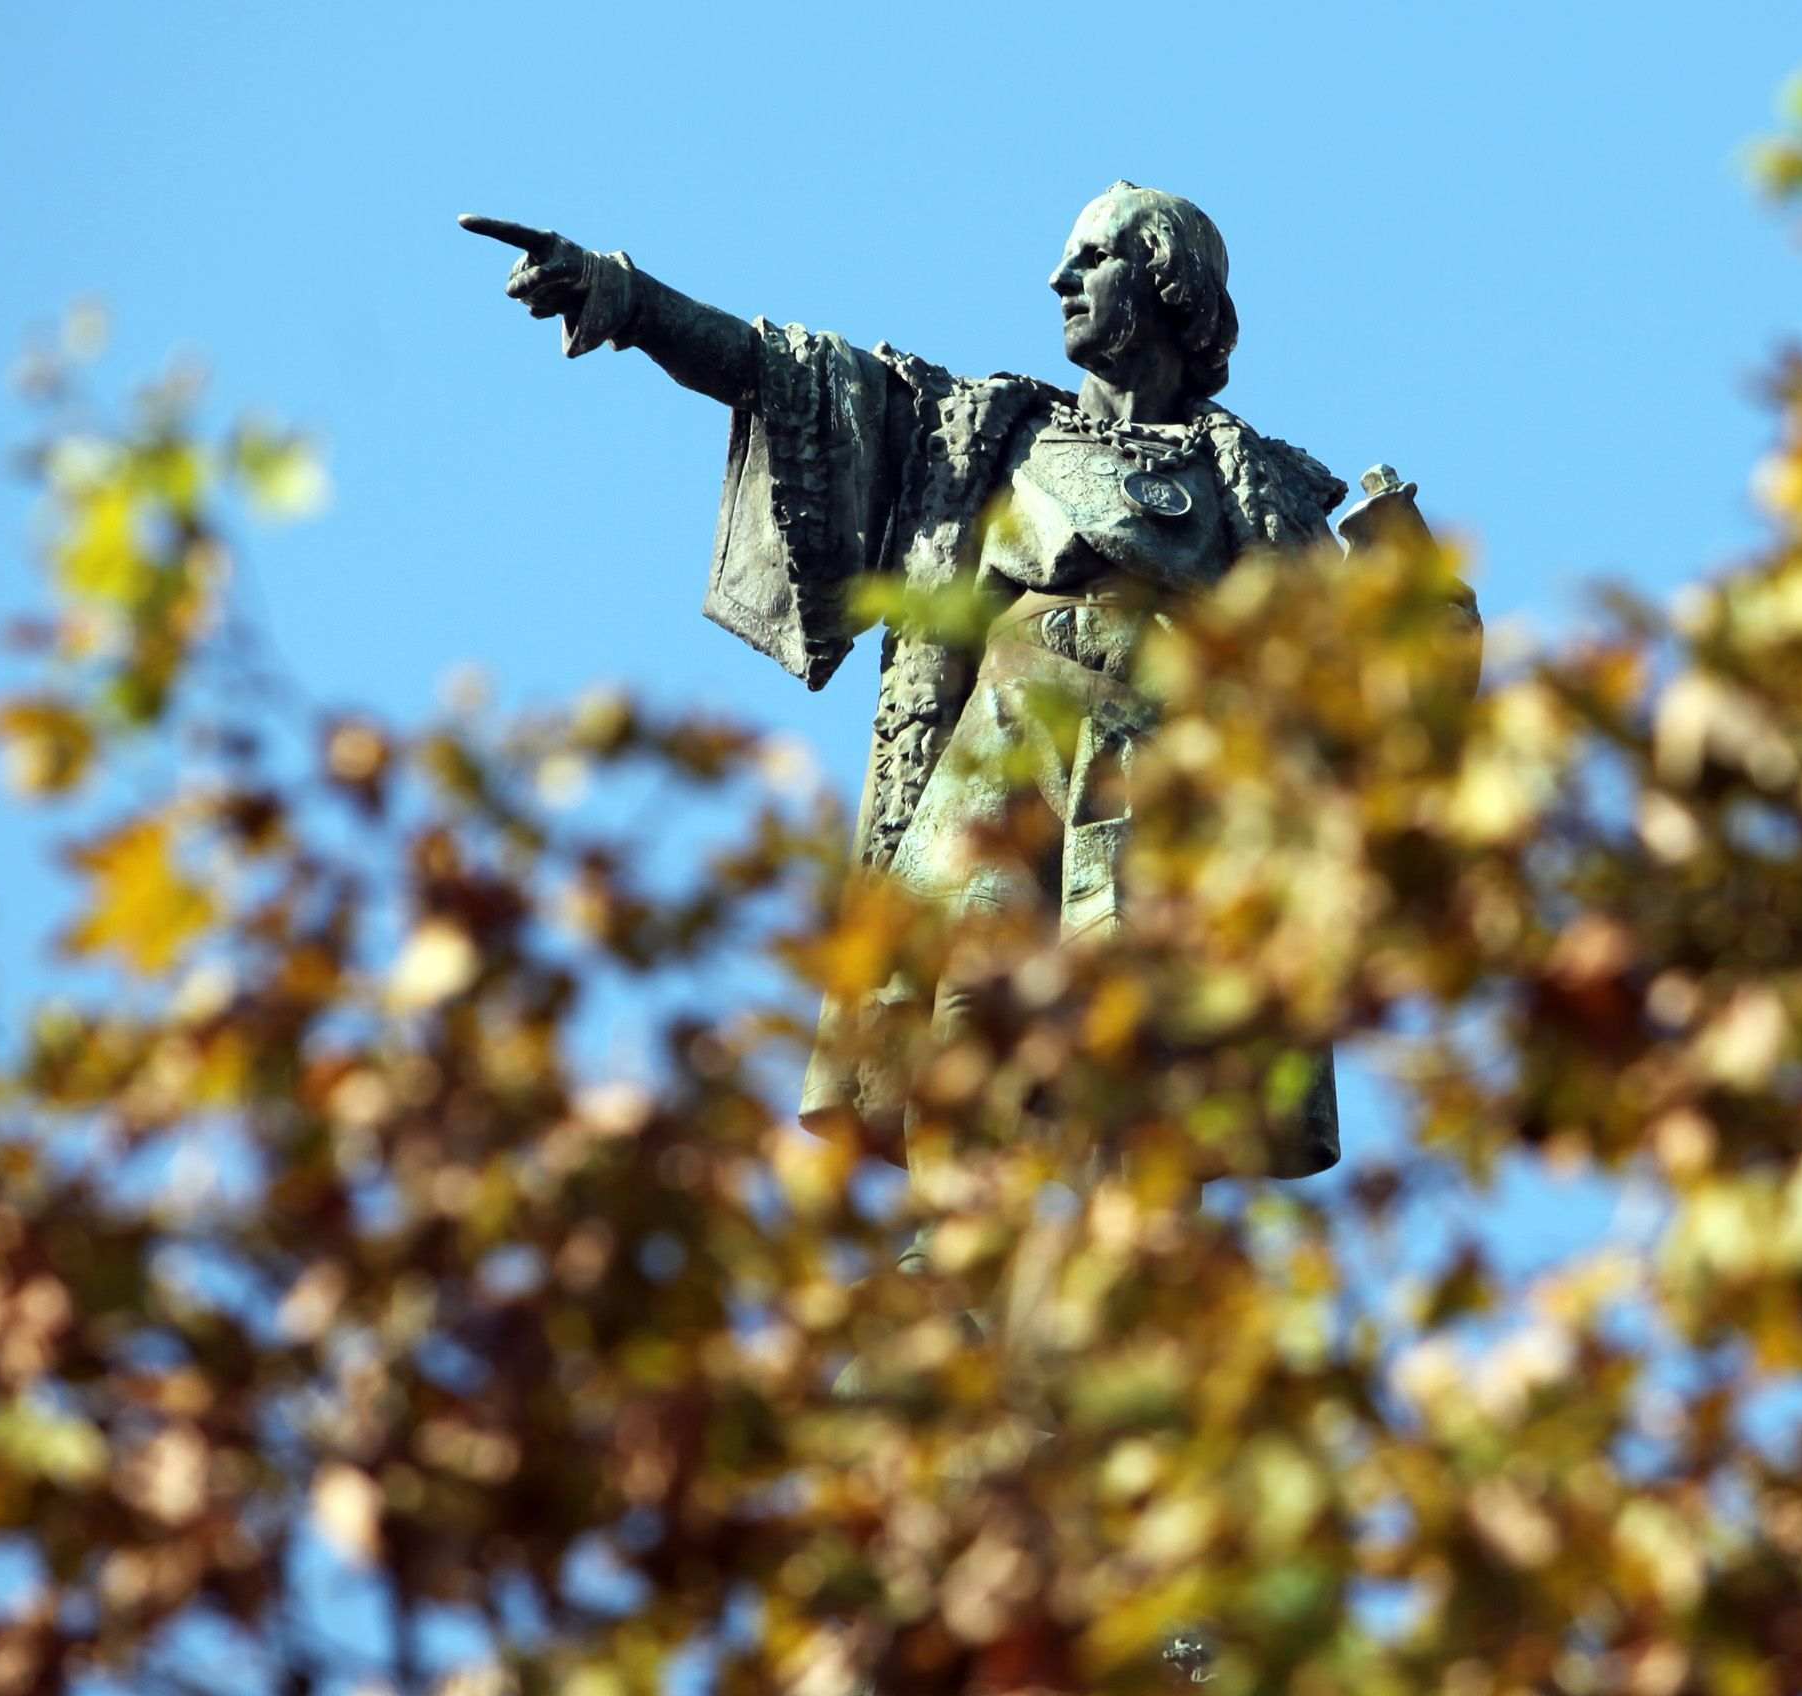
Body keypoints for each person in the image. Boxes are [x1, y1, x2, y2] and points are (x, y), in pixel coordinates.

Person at [460, 183, 1473, 1178]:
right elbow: (790, 377)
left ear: (1166, 283)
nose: (1057, 278)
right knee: (972, 1005)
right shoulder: (982, 434)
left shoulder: (1258, 487)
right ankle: (962, 1248)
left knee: (1143, 1030)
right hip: (997, 763)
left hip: (1165, 786)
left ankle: (1121, 1253)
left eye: (1091, 258)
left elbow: (1362, 700)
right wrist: (627, 300)